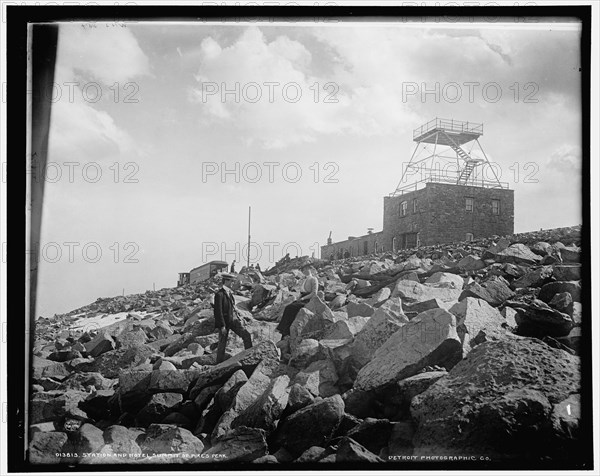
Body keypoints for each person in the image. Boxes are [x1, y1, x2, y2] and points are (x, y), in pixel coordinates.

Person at [214, 272, 252, 363]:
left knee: (246, 335)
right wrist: (222, 326)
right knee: (222, 344)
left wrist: (240, 318)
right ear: (226, 281)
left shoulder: (230, 293)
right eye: (231, 281)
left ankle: (250, 356)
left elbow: (233, 308)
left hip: (232, 321)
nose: (233, 283)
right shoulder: (219, 294)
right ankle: (218, 364)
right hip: (224, 323)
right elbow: (218, 312)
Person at [276, 264, 319, 338]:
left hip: (308, 300)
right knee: (288, 307)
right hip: (302, 298)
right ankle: (284, 331)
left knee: (290, 308)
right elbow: (301, 292)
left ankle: (284, 331)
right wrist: (298, 298)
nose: (304, 271)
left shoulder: (313, 279)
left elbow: (314, 293)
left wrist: (303, 298)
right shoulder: (304, 280)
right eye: (303, 270)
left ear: (310, 269)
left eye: (306, 269)